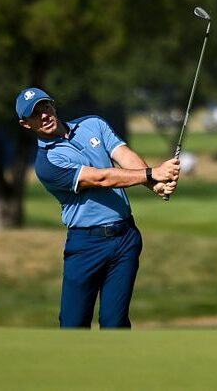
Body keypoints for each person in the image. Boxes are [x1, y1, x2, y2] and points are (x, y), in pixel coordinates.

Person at [16, 86, 180, 329]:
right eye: (35, 114)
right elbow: (101, 178)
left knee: (114, 323)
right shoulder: (47, 163)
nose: (44, 115)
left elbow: (123, 156)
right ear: (26, 124)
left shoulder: (92, 123)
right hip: (85, 245)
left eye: (46, 107)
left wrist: (153, 184)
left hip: (125, 238)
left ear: (53, 105)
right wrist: (152, 172)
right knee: (73, 325)